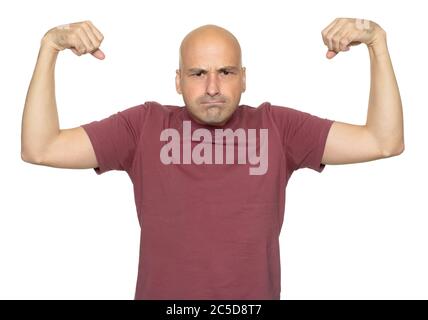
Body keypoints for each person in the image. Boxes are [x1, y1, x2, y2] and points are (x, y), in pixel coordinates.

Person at [21, 18, 404, 299]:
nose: (213, 88)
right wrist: (49, 47)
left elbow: (383, 141)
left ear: (244, 78)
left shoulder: (277, 127)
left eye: (226, 71)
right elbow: (42, 148)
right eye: (198, 73)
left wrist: (378, 44)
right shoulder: (143, 126)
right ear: (177, 80)